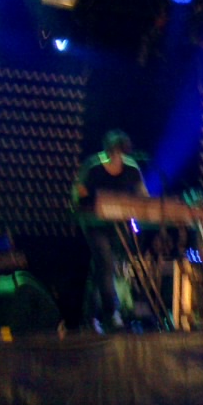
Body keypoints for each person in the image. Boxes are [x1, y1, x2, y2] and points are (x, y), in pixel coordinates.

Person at [71, 129, 149, 333]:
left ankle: (90, 316)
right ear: (107, 150)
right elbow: (78, 193)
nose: (116, 157)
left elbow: (143, 196)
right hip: (95, 223)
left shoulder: (131, 168)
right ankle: (111, 313)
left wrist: (141, 207)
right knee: (106, 262)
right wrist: (88, 203)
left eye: (120, 153)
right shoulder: (93, 166)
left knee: (103, 268)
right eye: (113, 152)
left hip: (119, 223)